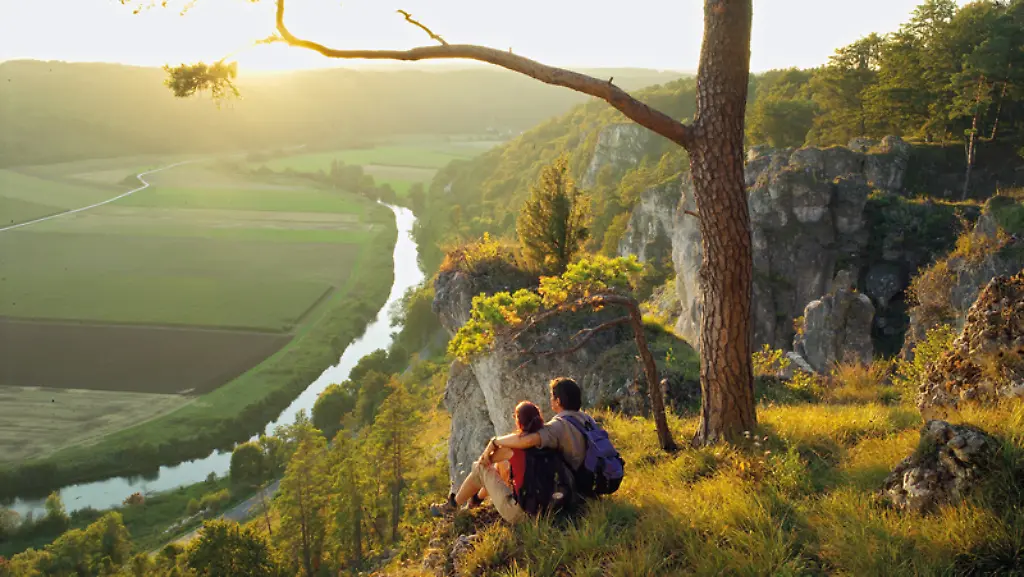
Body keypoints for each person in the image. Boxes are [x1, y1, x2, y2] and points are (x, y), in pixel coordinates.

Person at [438, 401, 546, 523]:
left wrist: (492, 445)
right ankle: (475, 500)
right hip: (546, 507)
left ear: (519, 422)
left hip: (521, 514)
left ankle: (453, 505)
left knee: (479, 468)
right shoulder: (547, 438)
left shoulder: (513, 447)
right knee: (501, 465)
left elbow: (484, 462)